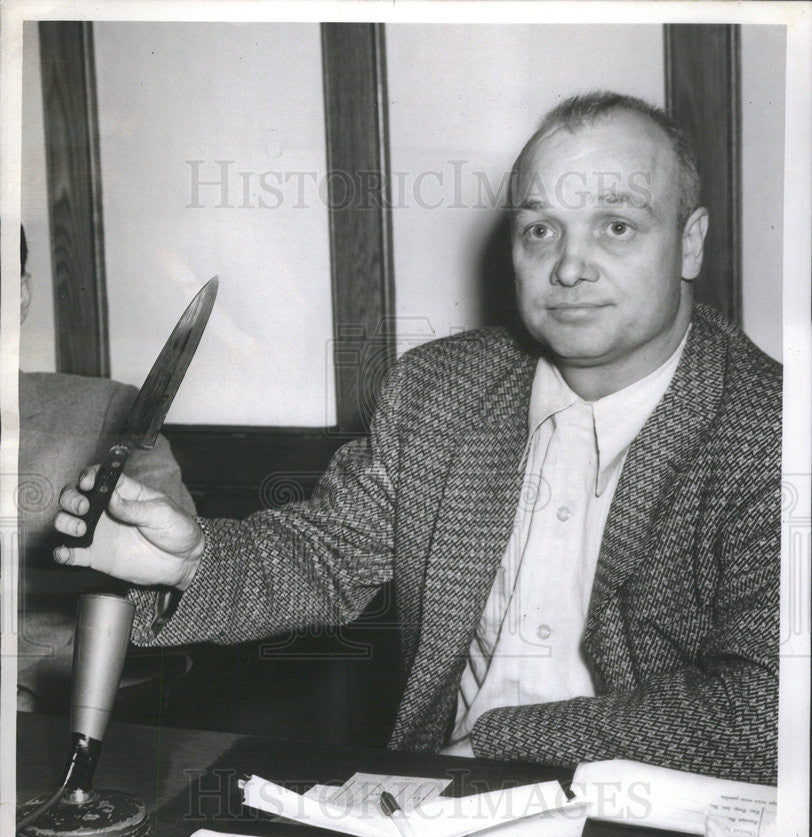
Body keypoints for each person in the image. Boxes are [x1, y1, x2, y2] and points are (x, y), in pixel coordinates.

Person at [53, 92, 780, 783]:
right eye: (540, 229)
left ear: (689, 243)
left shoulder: (773, 428)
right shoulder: (440, 391)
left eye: (616, 225)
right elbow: (326, 557)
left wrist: (499, 743)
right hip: (436, 825)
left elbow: (766, 712)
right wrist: (193, 559)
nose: (567, 266)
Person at [12, 223, 196, 709]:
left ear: (20, 293)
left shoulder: (108, 415)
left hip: (44, 720)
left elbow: (172, 609)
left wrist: (36, 688)